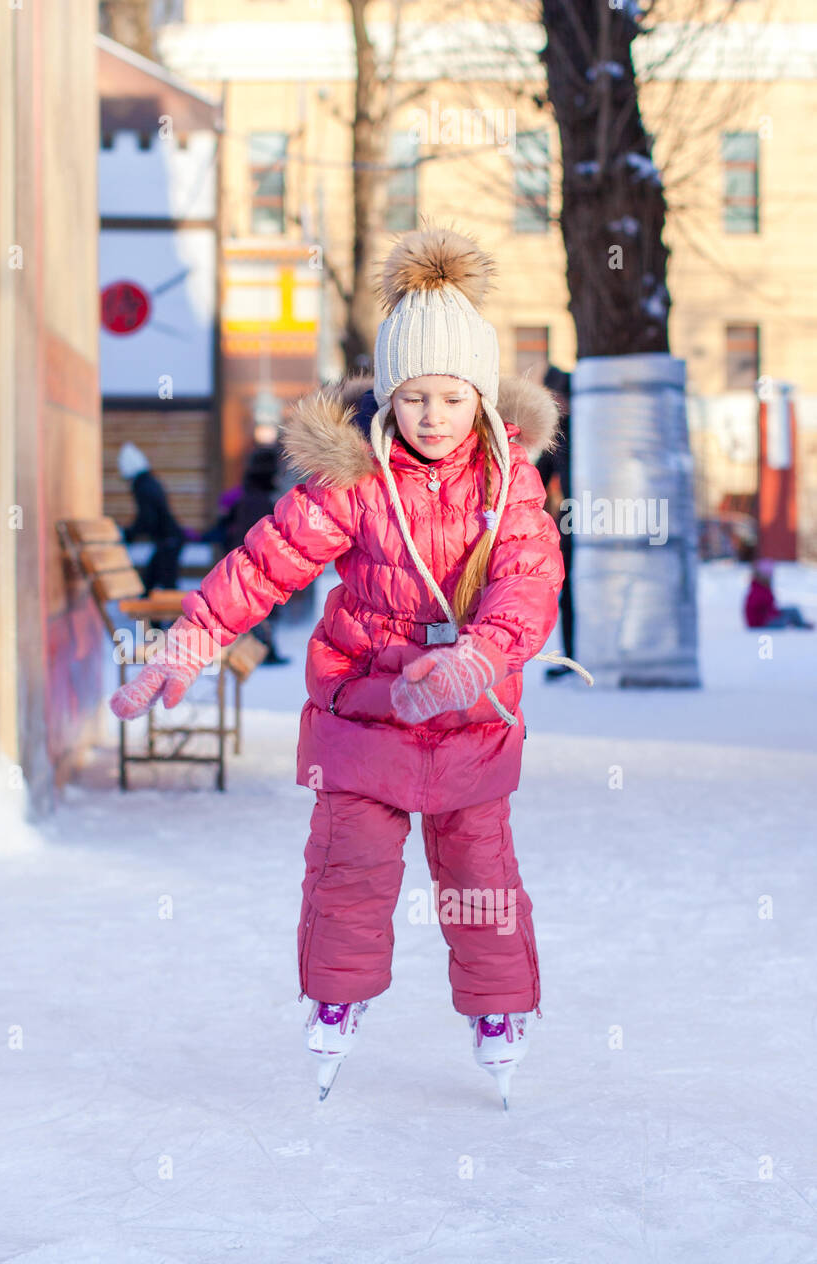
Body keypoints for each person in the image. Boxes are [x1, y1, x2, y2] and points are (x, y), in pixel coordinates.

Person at [109, 225, 589, 1109]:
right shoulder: (357, 481)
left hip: (471, 723)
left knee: (480, 877)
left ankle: (498, 1013)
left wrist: (479, 657)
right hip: (364, 716)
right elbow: (266, 562)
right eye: (413, 398)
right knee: (349, 867)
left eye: (449, 397)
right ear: (388, 401)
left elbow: (530, 582)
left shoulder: (510, 485)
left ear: (480, 399)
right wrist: (189, 640)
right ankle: (335, 999)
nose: (432, 417)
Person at [200, 442, 291, 664]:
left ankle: (264, 649)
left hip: (243, 557)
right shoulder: (260, 500)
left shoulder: (247, 495)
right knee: (262, 605)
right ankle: (264, 650)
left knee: (258, 605)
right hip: (253, 561)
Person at [535, 365, 576, 679]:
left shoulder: (584, 428)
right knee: (571, 587)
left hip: (596, 515)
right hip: (572, 517)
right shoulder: (560, 430)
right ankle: (574, 655)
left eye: (557, 397)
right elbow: (540, 474)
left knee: (578, 587)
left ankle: (582, 653)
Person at [117, 441, 185, 594]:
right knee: (158, 586)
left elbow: (147, 518)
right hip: (170, 540)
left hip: (168, 541)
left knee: (153, 587)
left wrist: (129, 534)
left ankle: (150, 618)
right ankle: (153, 618)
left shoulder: (142, 486)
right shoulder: (150, 481)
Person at [744, 556, 813, 629]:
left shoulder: (763, 588)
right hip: (761, 624)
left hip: (767, 619)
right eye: (767, 576)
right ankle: (797, 625)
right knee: (785, 619)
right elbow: (762, 611)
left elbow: (771, 608)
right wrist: (776, 616)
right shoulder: (757, 591)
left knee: (793, 610)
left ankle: (801, 625)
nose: (770, 578)